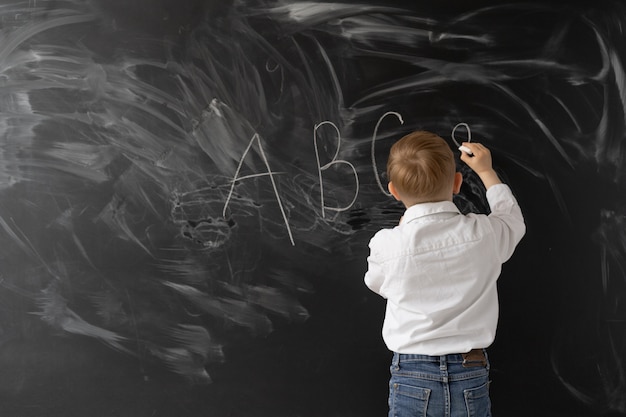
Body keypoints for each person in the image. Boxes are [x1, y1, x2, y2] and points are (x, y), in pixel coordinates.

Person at [364, 131, 525, 417]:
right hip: (470, 373)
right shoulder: (484, 233)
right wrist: (486, 171)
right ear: (457, 184)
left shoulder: (387, 245)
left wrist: (401, 233)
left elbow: (376, 282)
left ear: (394, 192)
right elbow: (511, 220)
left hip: (411, 374)